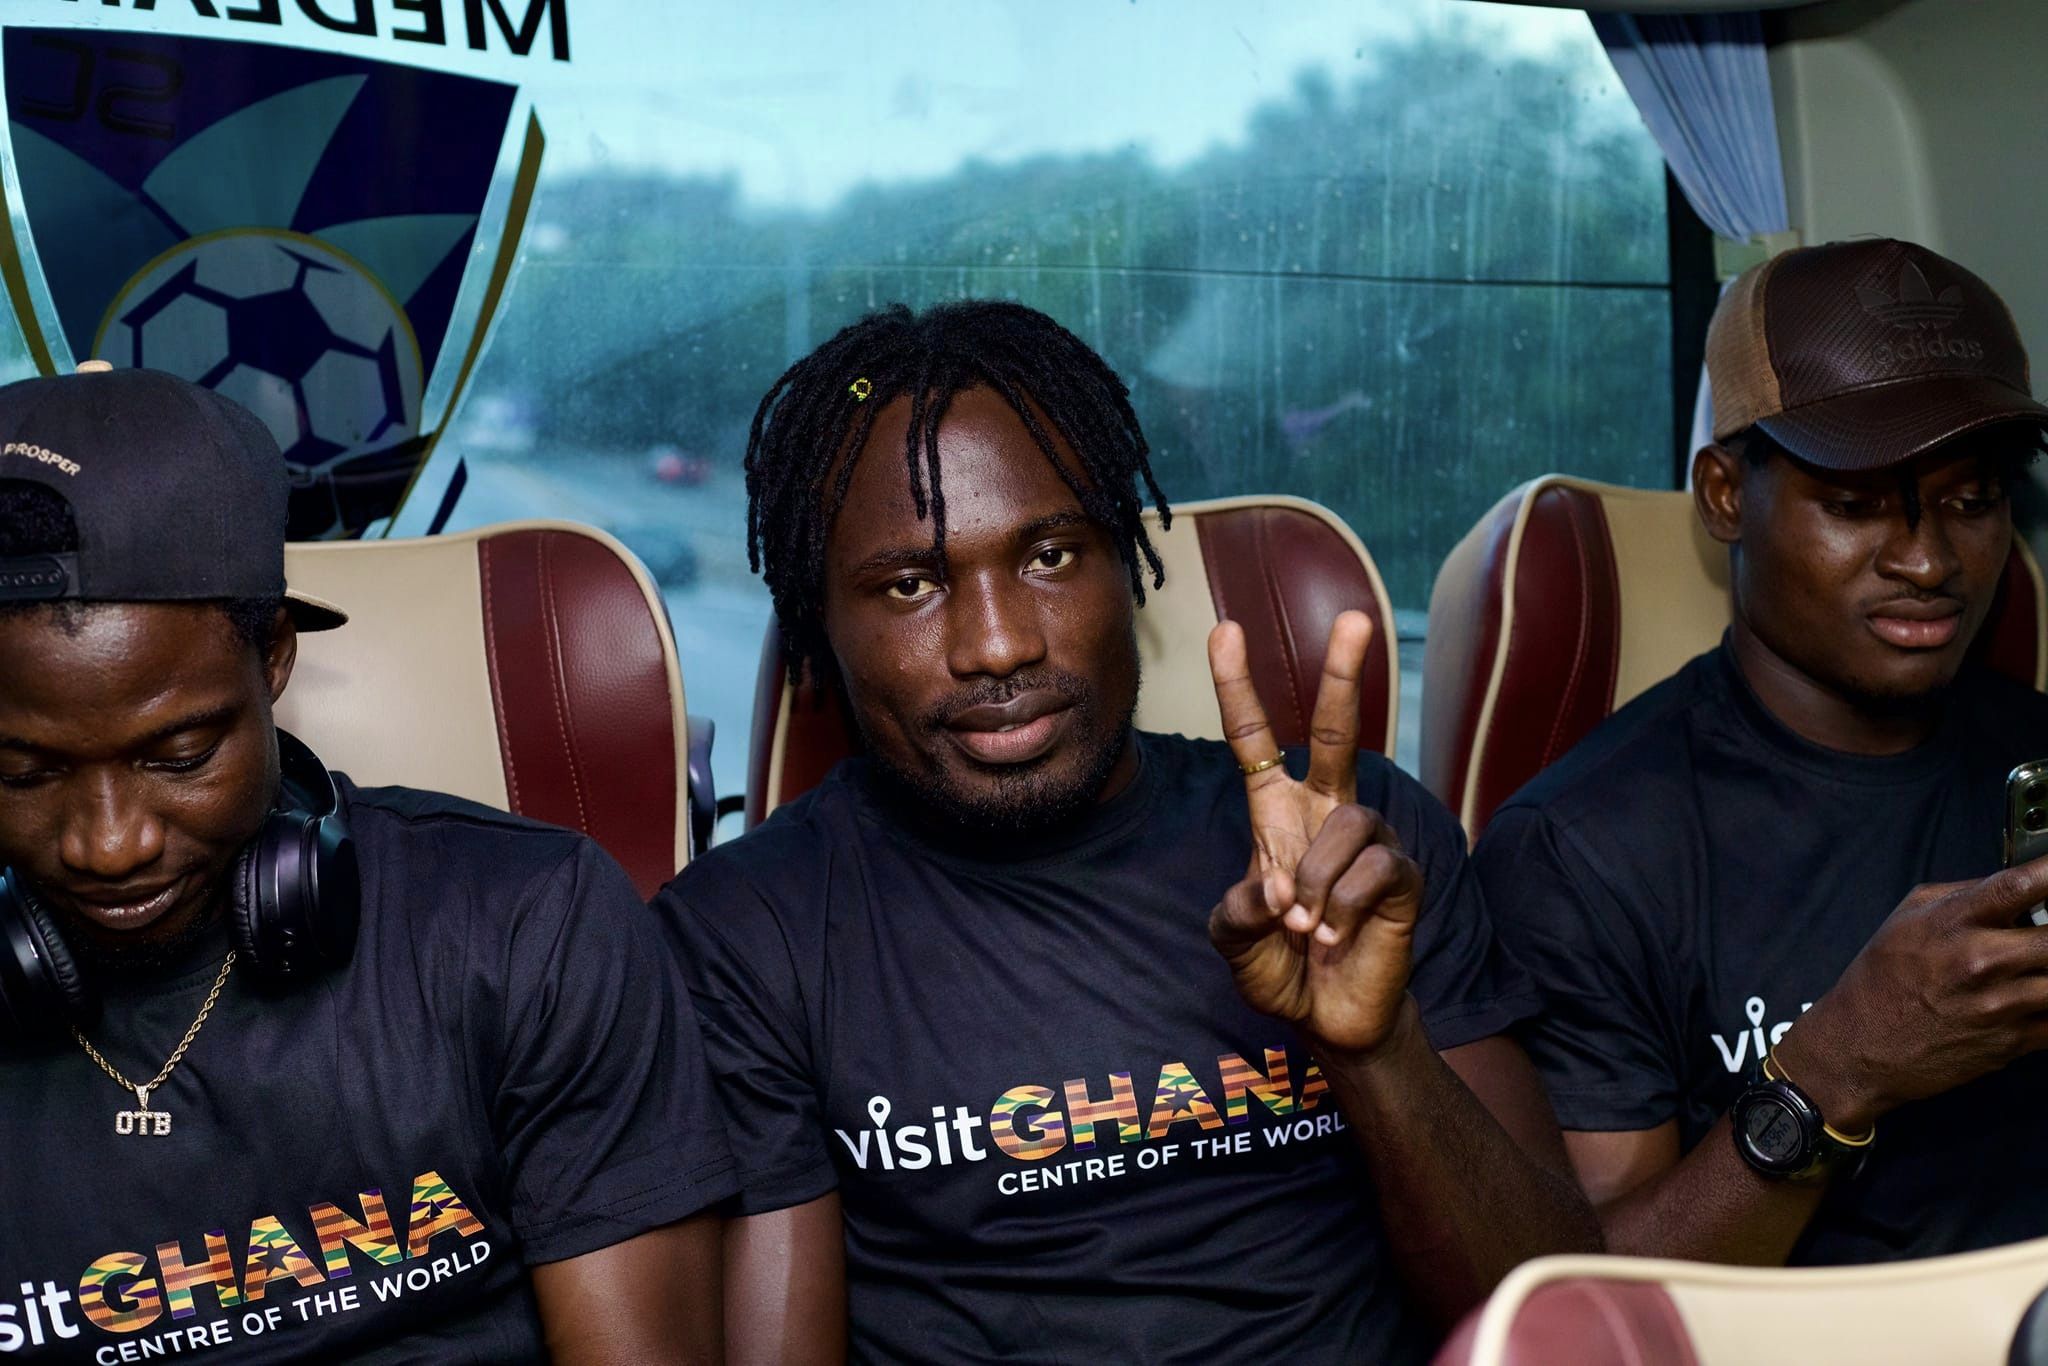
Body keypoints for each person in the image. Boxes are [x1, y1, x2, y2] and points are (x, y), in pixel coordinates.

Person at [658, 300, 1599, 1365]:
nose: (998, 645)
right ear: (819, 624)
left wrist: (1377, 1052)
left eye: (1050, 555)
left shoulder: (1352, 847)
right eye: (911, 584)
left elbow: (1558, 1326)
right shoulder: (747, 938)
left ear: (1124, 565)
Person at [0, 366, 734, 1363]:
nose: (109, 843)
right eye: (22, 772)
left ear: (273, 657)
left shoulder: (529, 928)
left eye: (179, 756)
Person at [1477, 237, 2048, 1266]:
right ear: (1724, 495)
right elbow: (1605, 1288)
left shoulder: (2030, 752)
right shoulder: (1583, 851)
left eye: (1972, 503)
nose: (1928, 560)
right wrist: (1835, 1069)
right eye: (1855, 504)